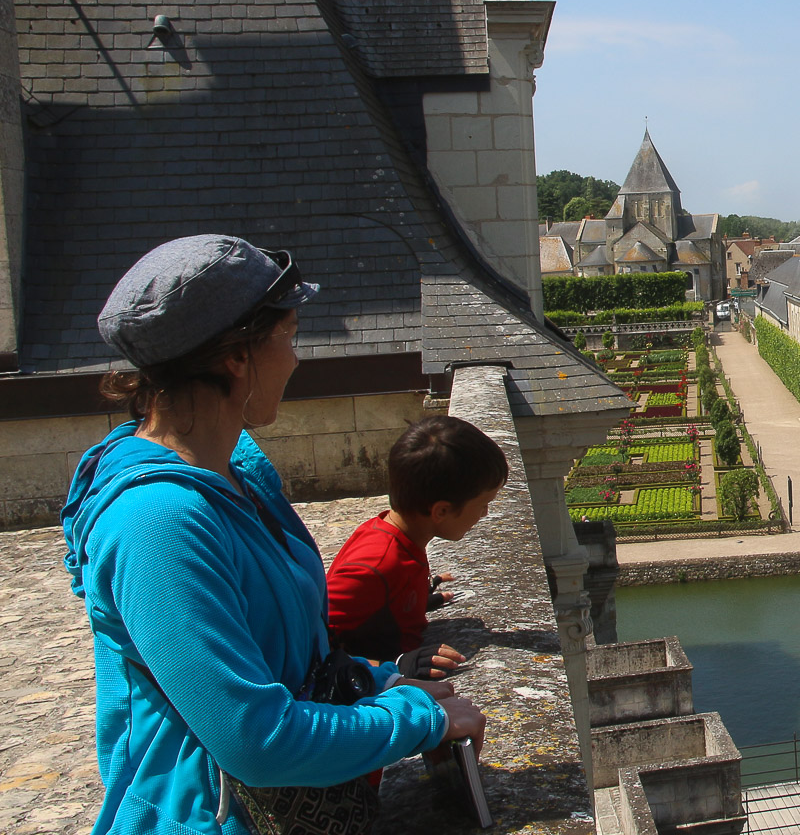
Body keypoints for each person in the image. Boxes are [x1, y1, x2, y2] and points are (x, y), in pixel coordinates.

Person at [63, 235, 484, 833]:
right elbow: (253, 740)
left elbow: (293, 652)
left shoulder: (235, 467)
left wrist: (380, 678)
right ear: (237, 358)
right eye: (286, 337)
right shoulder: (156, 524)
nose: (295, 358)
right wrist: (418, 718)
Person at [327, 416, 509, 674]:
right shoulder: (376, 565)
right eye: (482, 505)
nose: (485, 514)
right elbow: (306, 643)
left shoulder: (396, 537)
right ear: (441, 511)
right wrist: (394, 667)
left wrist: (412, 601)